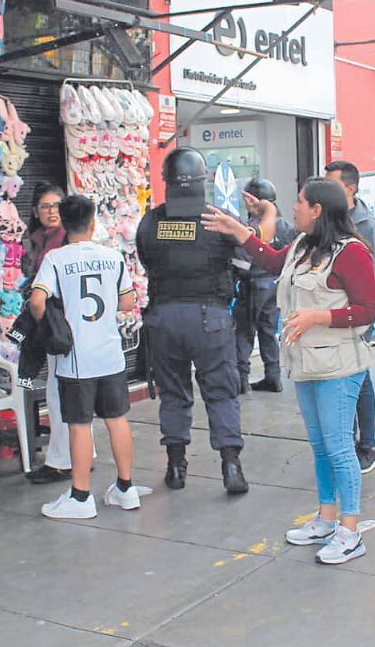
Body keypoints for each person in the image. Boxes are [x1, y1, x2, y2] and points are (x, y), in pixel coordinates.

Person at [203, 178, 375, 565]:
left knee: (339, 447)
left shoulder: (352, 252)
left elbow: (367, 310)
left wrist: (318, 316)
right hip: (306, 363)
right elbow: (270, 260)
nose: (293, 208)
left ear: (317, 209)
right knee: (320, 446)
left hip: (339, 366)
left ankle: (350, 530)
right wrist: (238, 231)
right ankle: (326, 518)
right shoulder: (302, 245)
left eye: (299, 202)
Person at [136, 147, 258, 494]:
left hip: (164, 317)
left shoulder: (150, 222)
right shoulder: (219, 220)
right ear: (203, 181)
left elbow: (146, 261)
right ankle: (231, 466)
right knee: (221, 393)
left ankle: (176, 467)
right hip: (210, 318)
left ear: (167, 181)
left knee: (174, 393)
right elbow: (246, 264)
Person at [34, 195, 143, 519]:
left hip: (76, 358)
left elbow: (37, 300)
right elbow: (128, 302)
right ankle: (126, 488)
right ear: (93, 224)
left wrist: (46, 321)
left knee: (80, 425)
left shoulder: (56, 259)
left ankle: (81, 497)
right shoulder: (113, 257)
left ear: (65, 226)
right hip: (111, 354)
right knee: (117, 419)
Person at [325, 161, 375, 474]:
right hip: (333, 318)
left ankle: (369, 445)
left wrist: (366, 319)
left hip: (357, 318)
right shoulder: (327, 221)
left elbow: (374, 278)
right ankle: (346, 443)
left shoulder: (366, 226)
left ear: (350, 188)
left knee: (360, 380)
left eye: (332, 183)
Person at [20, 182, 79, 486]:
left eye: (56, 205)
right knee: (66, 392)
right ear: (35, 211)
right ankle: (79, 455)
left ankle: (61, 461)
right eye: (45, 206)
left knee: (59, 393)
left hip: (61, 325)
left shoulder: (65, 242)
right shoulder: (35, 240)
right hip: (55, 325)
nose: (51, 211)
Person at [234, 177, 296, 394]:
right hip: (275, 286)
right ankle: (273, 376)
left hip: (253, 285)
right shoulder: (286, 226)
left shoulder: (251, 228)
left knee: (244, 331)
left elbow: (241, 263)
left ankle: (241, 380)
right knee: (269, 330)